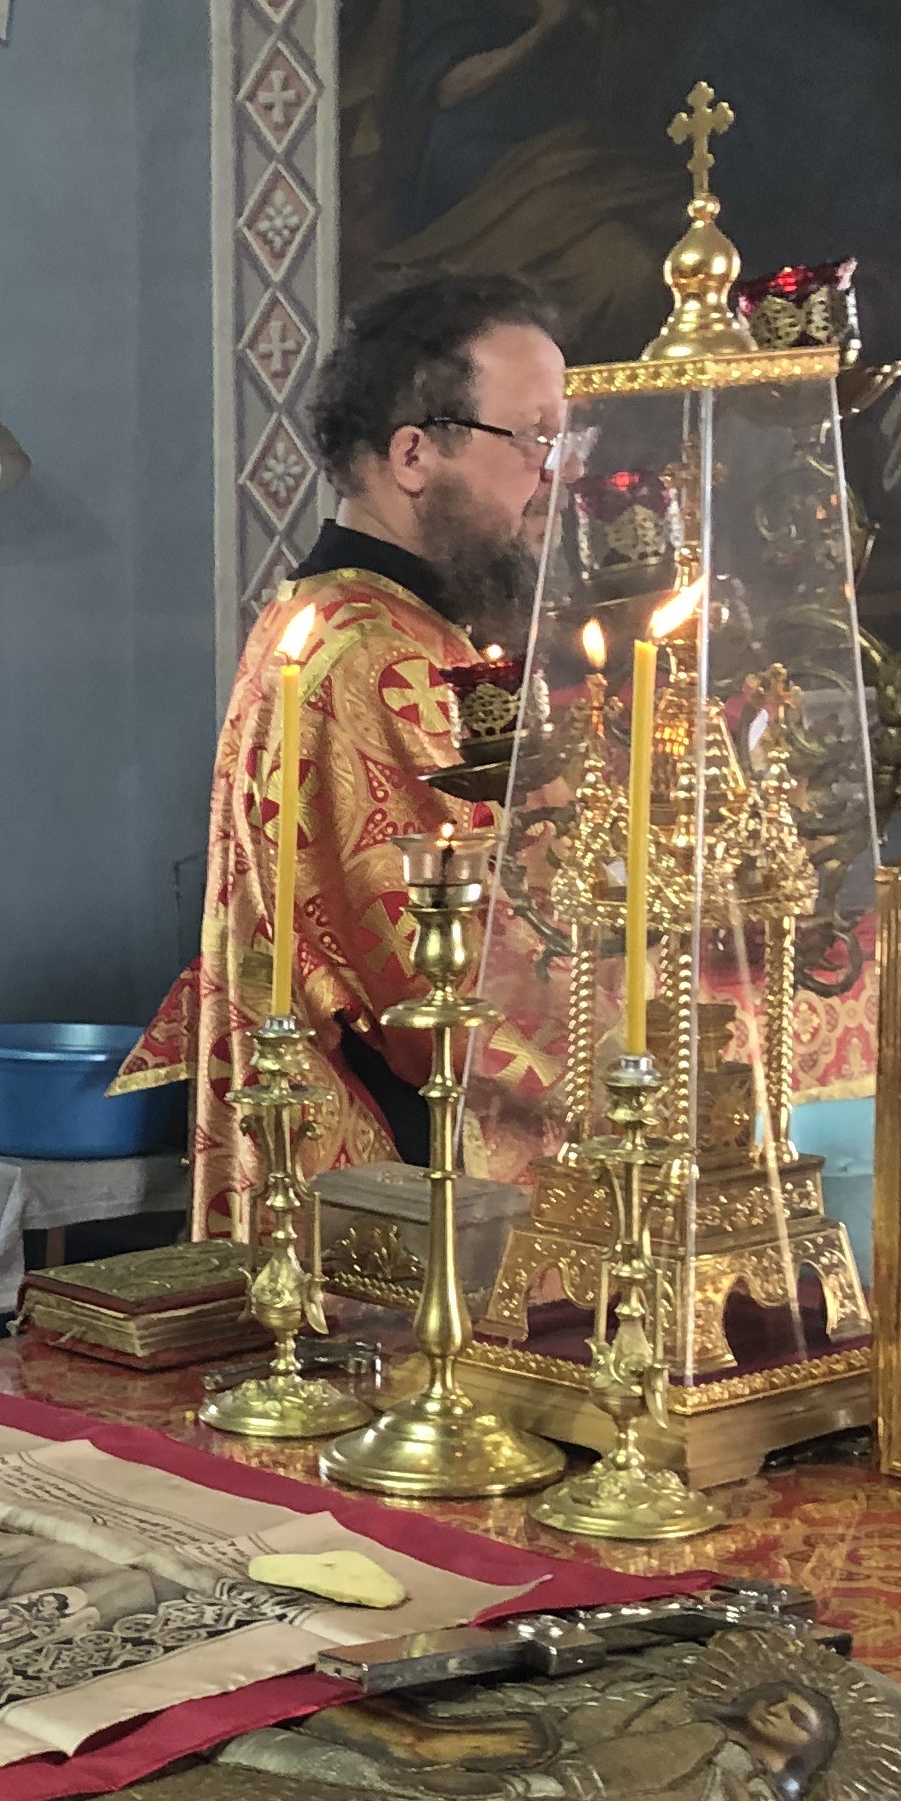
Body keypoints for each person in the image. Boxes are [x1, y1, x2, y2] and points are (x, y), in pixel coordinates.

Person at [119, 273, 574, 1233]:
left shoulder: (381, 623)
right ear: (414, 454)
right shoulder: (372, 654)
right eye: (534, 436)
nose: (555, 472)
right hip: (397, 1174)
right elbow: (441, 980)